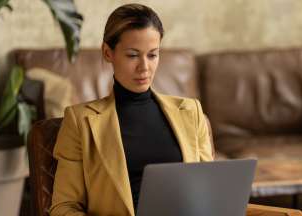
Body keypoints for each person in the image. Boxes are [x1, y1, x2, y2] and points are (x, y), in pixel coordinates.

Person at [50, 3, 214, 216]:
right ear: (108, 53)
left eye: (152, 55)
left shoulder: (191, 112)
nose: (144, 67)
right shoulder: (80, 121)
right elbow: (63, 208)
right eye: (132, 55)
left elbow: (208, 195)